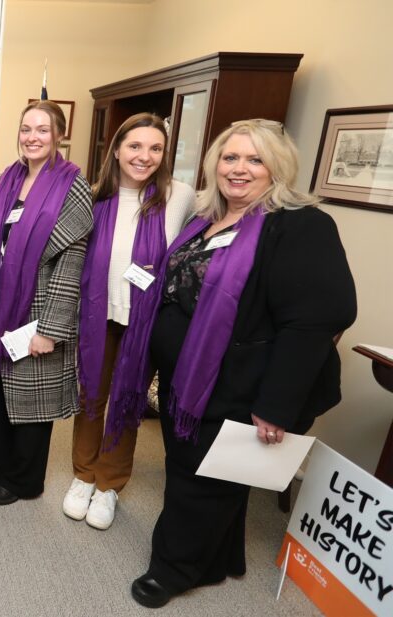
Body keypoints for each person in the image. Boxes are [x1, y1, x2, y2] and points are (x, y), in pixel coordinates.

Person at [114, 119, 356, 608]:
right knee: (208, 471)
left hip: (246, 384)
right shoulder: (207, 218)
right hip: (192, 380)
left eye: (254, 159)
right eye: (230, 158)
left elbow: (314, 323)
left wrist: (277, 407)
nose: (239, 169)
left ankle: (174, 568)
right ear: (214, 165)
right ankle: (221, 558)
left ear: (277, 168)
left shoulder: (299, 225)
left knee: (201, 478)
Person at [66, 113, 195, 529]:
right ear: (117, 150)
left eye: (155, 148)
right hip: (96, 318)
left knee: (127, 400)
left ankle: (109, 484)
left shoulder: (181, 196)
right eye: (135, 147)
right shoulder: (93, 195)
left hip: (144, 323)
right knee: (91, 398)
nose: (144, 156)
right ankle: (83, 475)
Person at [0, 100, 92, 506]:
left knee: (31, 400)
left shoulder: (72, 185)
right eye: (26, 129)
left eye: (42, 130)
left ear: (59, 136)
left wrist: (51, 330)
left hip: (36, 313)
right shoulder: (5, 179)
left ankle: (25, 480)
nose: (32, 137)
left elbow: (72, 264)